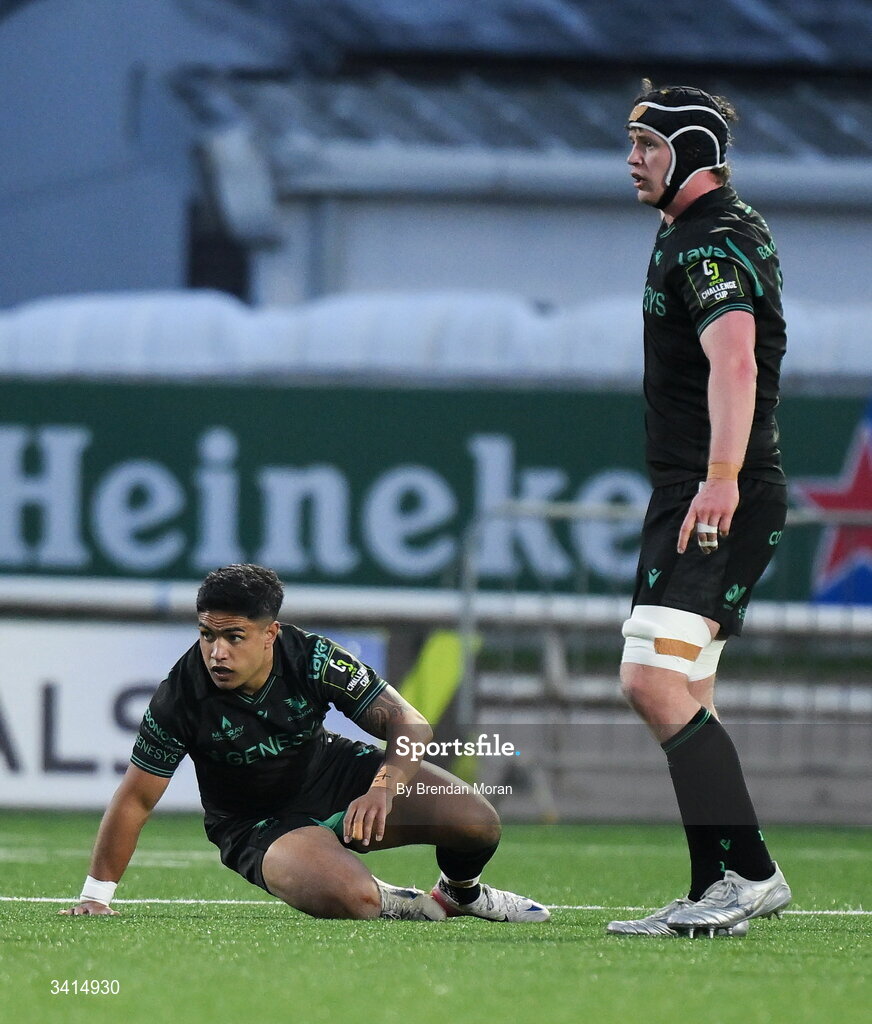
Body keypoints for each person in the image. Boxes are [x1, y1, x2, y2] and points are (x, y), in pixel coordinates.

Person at [60, 564, 549, 923]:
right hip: (253, 823)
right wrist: (96, 895)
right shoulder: (179, 696)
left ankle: (460, 895)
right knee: (354, 902)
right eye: (207, 635)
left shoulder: (313, 658)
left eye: (234, 636)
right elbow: (136, 799)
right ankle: (395, 900)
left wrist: (382, 787)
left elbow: (411, 724)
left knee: (477, 823)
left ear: (271, 633)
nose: (217, 652)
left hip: (334, 773)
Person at [606, 82, 792, 938]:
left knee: (649, 681)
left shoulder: (709, 241)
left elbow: (738, 365)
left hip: (714, 491)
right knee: (690, 691)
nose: (633, 159)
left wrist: (720, 477)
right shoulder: (692, 229)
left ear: (692, 151)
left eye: (648, 144)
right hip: (712, 486)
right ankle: (714, 885)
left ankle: (750, 872)